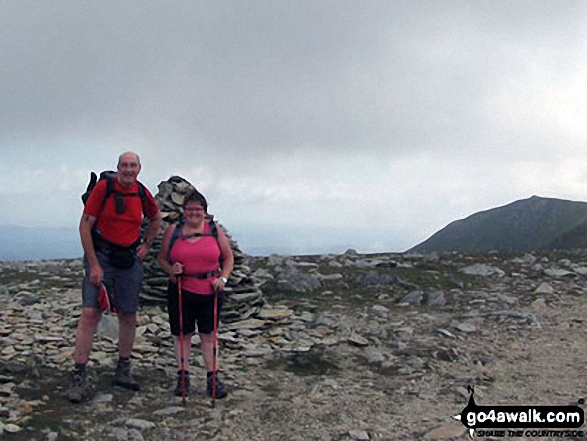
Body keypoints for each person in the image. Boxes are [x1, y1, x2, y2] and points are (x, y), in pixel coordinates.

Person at [67, 151, 162, 403]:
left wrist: (147, 245)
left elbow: (156, 218)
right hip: (103, 256)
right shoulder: (104, 189)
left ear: (139, 169)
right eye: (124, 165)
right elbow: (84, 225)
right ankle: (79, 373)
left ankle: (123, 368)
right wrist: (94, 264)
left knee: (128, 313)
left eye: (133, 166)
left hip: (129, 258)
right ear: (118, 167)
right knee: (90, 313)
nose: (128, 170)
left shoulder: (142, 192)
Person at [157, 188, 234, 399]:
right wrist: (171, 269)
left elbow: (228, 258)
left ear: (205, 211)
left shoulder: (215, 230)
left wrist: (223, 279)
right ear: (183, 211)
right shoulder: (173, 231)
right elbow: (162, 258)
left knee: (209, 335)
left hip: (210, 290)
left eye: (198, 209)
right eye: (189, 209)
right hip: (181, 289)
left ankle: (212, 378)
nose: (193, 213)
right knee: (183, 335)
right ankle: (183, 377)